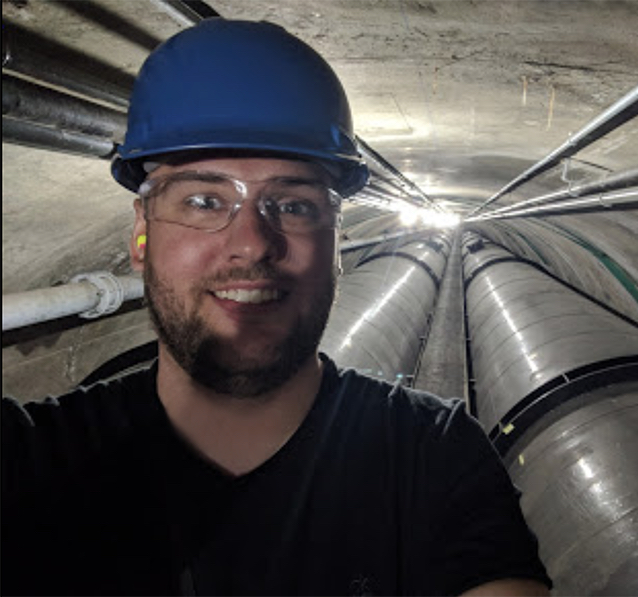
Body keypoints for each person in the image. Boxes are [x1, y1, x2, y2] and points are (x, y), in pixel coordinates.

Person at [1, 18, 551, 596]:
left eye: (292, 205)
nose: (253, 243)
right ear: (140, 237)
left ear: (338, 242)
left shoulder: (435, 458)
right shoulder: (30, 460)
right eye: (204, 199)